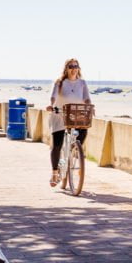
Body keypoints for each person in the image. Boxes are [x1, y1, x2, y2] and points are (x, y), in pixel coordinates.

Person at [46, 58, 92, 187]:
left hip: (75, 115)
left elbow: (86, 98)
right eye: (71, 66)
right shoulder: (60, 82)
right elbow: (53, 96)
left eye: (75, 66)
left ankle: (74, 153)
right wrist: (51, 105)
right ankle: (55, 172)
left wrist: (89, 106)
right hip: (59, 114)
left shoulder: (82, 83)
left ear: (79, 68)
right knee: (57, 144)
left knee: (83, 131)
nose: (73, 69)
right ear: (66, 69)